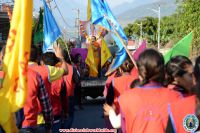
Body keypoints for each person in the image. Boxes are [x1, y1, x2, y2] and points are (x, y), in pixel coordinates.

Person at [118, 49, 181, 133]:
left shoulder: (124, 98)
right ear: (163, 71)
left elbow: (124, 129)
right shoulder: (177, 96)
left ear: (140, 72)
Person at [166, 56, 200, 133]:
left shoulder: (190, 94)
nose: (193, 79)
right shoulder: (173, 100)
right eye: (190, 75)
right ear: (176, 77)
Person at [103, 58, 138, 129]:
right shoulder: (137, 80)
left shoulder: (114, 81)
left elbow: (109, 101)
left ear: (120, 69)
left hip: (118, 114)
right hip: (135, 114)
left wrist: (107, 114)